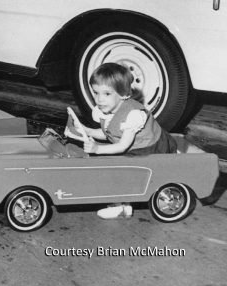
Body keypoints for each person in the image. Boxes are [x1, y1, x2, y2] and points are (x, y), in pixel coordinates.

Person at [64, 62, 177, 220]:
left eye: (107, 94)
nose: (99, 99)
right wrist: (86, 130)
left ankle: (121, 206)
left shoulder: (133, 115)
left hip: (148, 148)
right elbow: (108, 134)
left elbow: (122, 145)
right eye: (96, 92)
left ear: (123, 94)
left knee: (118, 171)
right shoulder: (106, 110)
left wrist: (98, 149)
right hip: (136, 145)